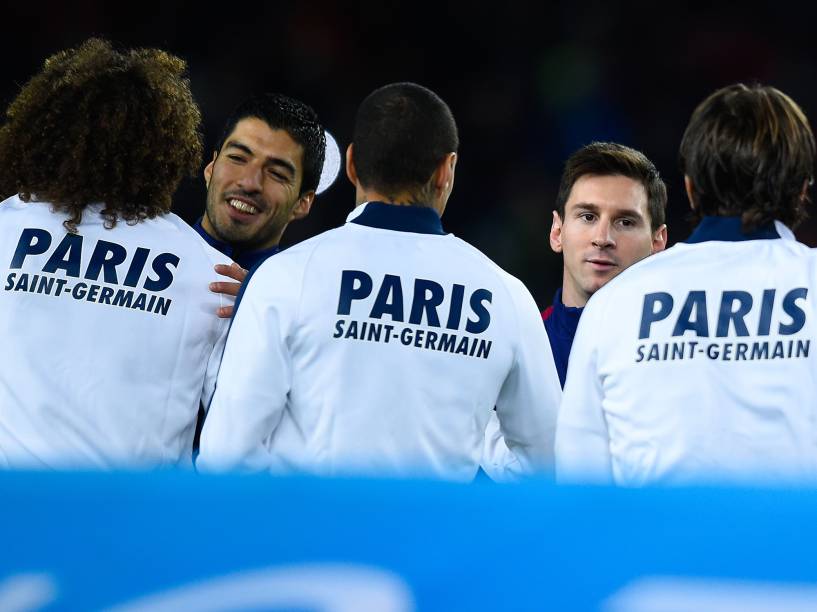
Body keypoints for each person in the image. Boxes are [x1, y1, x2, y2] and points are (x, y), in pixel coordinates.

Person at [198, 82, 561, 481]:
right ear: (446, 171)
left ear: (352, 164)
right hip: (441, 541)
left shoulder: (287, 277)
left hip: (312, 539)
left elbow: (226, 458)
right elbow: (548, 464)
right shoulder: (506, 295)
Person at [556, 83, 817, 485]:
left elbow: (581, 482)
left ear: (691, 187)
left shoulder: (614, 303)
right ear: (803, 188)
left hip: (655, 546)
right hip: (798, 545)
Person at [0, 39, 232, 469]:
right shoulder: (209, 272)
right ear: (164, 149)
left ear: (48, 133)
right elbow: (234, 431)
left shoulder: (6, 227)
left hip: (14, 516)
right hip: (137, 523)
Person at [481, 142, 668, 480]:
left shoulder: (682, 358)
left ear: (658, 243)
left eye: (625, 222)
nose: (602, 237)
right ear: (557, 232)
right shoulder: (508, 353)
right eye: (587, 216)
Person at [196, 93, 327, 318]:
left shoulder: (309, 312)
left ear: (303, 202)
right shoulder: (136, 262)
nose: (249, 183)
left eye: (276, 173)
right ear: (210, 168)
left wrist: (274, 315)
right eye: (237, 158)